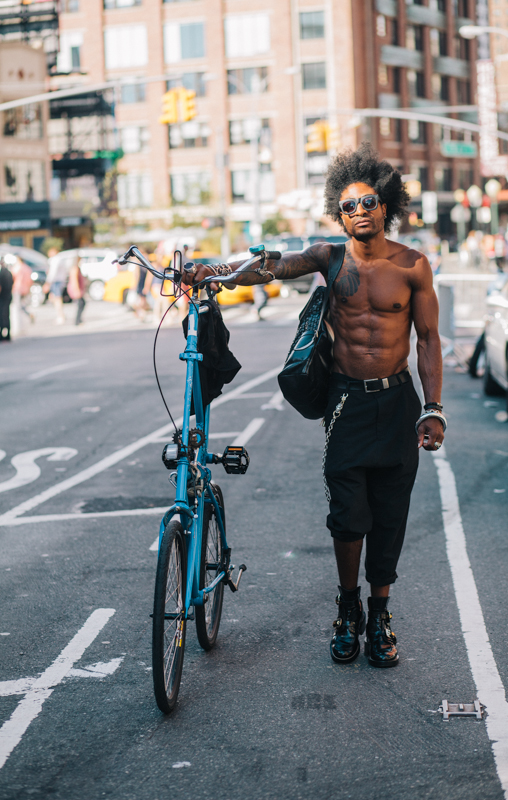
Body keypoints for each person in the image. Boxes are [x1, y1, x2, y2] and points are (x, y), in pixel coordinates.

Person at [185, 143, 446, 669]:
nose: (358, 212)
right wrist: (220, 270)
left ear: (385, 203)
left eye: (367, 202)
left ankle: (381, 614)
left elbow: (428, 339)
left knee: (390, 515)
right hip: (345, 401)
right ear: (339, 212)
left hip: (397, 402)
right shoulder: (330, 257)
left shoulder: (414, 266)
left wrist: (433, 407)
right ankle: (348, 608)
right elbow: (275, 265)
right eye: (347, 206)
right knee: (348, 516)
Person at [42, 247, 69, 324]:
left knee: (57, 299)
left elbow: (52, 273)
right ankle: (61, 314)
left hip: (56, 281)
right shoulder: (61, 260)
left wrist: (48, 283)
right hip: (59, 281)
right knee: (54, 298)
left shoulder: (55, 260)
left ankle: (60, 315)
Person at [67, 256, 87, 325]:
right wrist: (77, 291)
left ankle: (79, 320)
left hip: (79, 289)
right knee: (80, 304)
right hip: (76, 289)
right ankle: (77, 321)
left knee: (82, 303)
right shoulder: (74, 269)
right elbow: (74, 281)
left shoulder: (77, 268)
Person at [0, 255, 14, 341]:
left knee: (2, 315)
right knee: (6, 315)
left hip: (2, 297)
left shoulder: (2, 273)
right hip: (8, 296)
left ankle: (2, 334)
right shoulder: (8, 272)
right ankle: (8, 334)